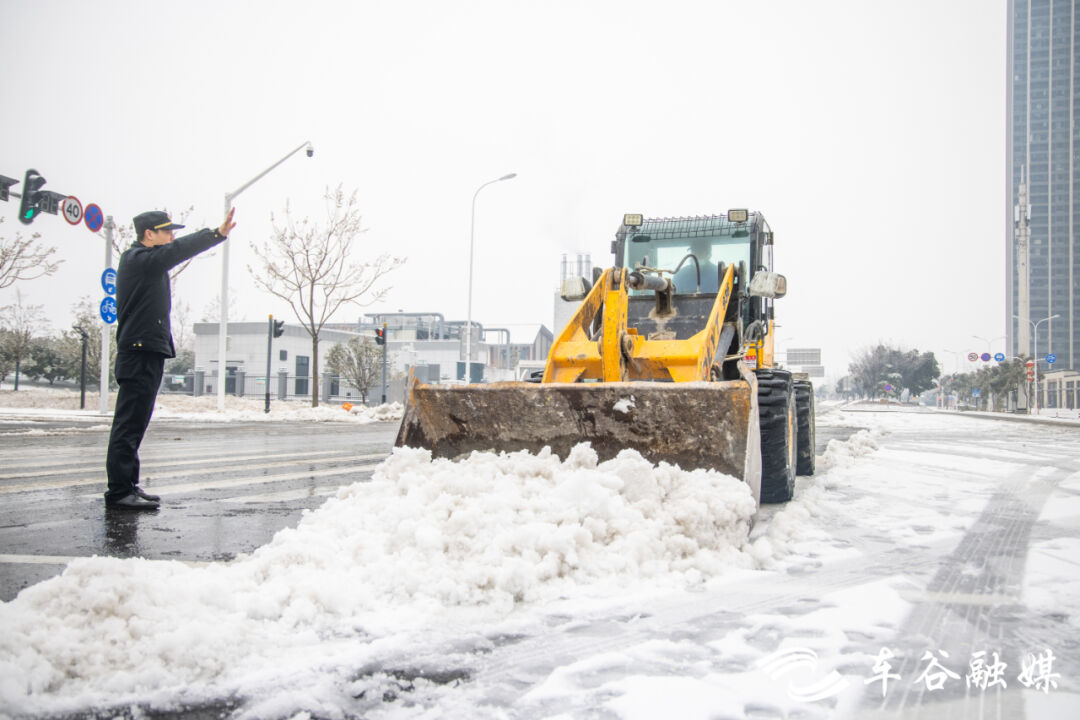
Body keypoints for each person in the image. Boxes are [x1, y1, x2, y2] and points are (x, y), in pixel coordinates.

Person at [104, 208, 236, 510]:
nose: (172, 236)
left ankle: (128, 485)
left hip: (146, 350)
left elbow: (170, 252)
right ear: (149, 234)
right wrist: (215, 234)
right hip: (138, 352)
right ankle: (119, 491)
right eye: (166, 231)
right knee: (128, 424)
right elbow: (175, 251)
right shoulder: (138, 259)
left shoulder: (148, 263)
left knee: (136, 424)